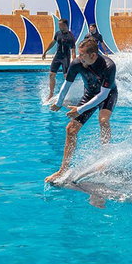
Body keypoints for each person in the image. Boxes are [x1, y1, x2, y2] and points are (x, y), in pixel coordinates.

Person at [46, 39, 118, 183]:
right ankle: (63, 170)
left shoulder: (109, 66)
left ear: (93, 56)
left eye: (82, 55)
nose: (79, 57)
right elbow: (67, 85)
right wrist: (59, 103)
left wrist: (79, 109)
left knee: (103, 120)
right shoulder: (77, 63)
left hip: (108, 94)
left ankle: (104, 160)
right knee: (71, 129)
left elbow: (103, 95)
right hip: (90, 94)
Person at [42, 19, 76, 100]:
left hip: (66, 57)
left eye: (60, 25)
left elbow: (73, 50)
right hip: (57, 56)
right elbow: (53, 42)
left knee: (66, 76)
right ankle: (51, 94)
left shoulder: (70, 36)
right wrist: (45, 51)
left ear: (65, 25)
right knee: (51, 75)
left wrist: (74, 61)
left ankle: (66, 94)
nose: (59, 26)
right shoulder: (58, 34)